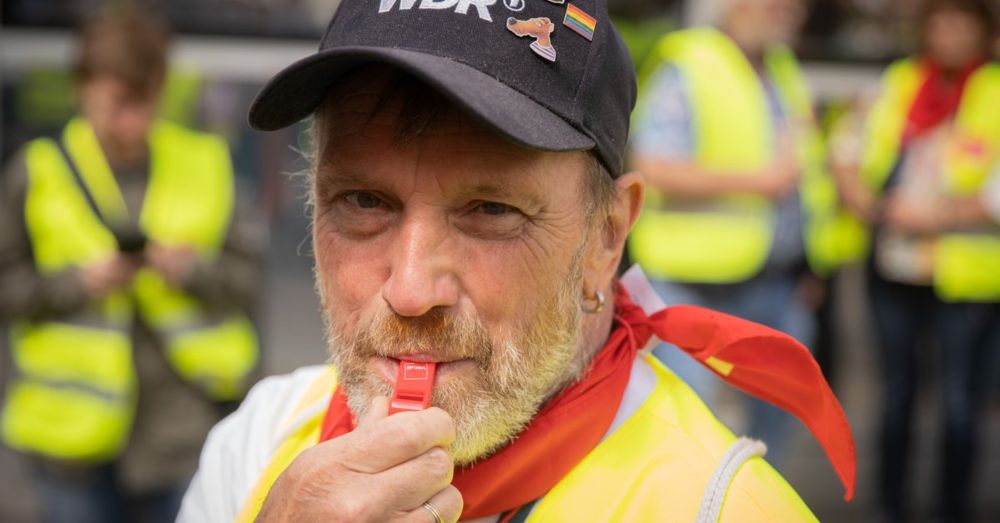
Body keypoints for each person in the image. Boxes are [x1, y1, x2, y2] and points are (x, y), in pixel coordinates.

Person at [178, 0, 856, 521]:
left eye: (492, 210)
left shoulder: (722, 507)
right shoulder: (257, 442)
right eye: (363, 200)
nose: (413, 291)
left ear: (606, 237)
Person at [0, 7, 261, 522]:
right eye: (116, 105)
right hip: (70, 442)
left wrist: (187, 270)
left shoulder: (205, 161)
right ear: (84, 88)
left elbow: (249, 282)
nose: (131, 123)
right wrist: (77, 282)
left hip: (183, 432)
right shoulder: (36, 172)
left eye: (143, 104)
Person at [626, 0, 849, 460]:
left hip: (777, 282)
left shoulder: (782, 67)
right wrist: (758, 183)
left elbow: (805, 177)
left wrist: (813, 265)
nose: (790, 11)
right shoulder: (691, 61)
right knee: (692, 429)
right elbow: (653, 166)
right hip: (695, 285)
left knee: (778, 426)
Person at [836, 0, 1000, 520]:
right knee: (897, 393)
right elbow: (849, 146)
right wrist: (859, 194)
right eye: (941, 20)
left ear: (982, 30)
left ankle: (953, 505)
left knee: (958, 401)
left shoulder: (994, 91)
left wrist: (938, 216)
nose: (949, 32)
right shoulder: (901, 81)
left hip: (963, 276)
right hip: (895, 265)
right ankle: (890, 503)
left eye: (961, 21)